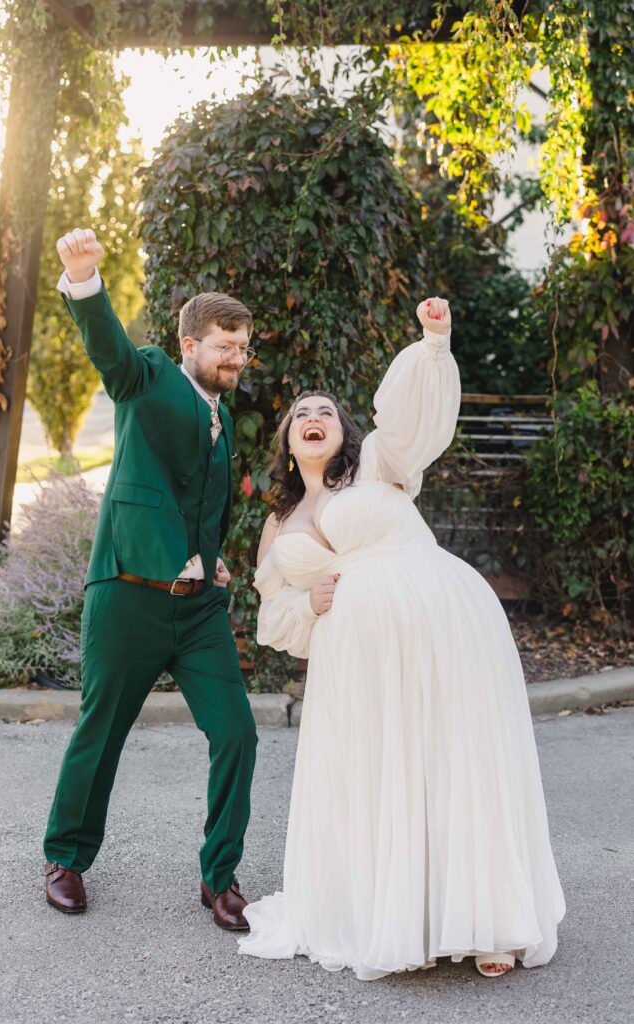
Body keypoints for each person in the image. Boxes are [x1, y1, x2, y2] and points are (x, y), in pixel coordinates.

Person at [238, 297, 566, 979]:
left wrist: (433, 345)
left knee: (459, 763)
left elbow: (416, 423)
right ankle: (395, 918)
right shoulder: (280, 524)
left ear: (345, 429)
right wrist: (308, 597)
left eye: (325, 410)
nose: (313, 418)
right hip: (357, 659)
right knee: (383, 777)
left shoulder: (380, 464)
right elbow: (273, 615)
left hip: (446, 620)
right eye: (300, 413)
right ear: (285, 440)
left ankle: (489, 924)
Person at [42, 227, 257, 931]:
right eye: (224, 345)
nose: (237, 357)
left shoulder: (225, 418)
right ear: (190, 344)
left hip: (197, 610)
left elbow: (193, 500)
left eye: (243, 347)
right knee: (100, 732)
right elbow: (108, 349)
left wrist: (206, 556)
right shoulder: (151, 375)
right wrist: (84, 280)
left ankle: (218, 877)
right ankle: (66, 860)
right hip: (127, 595)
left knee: (237, 735)